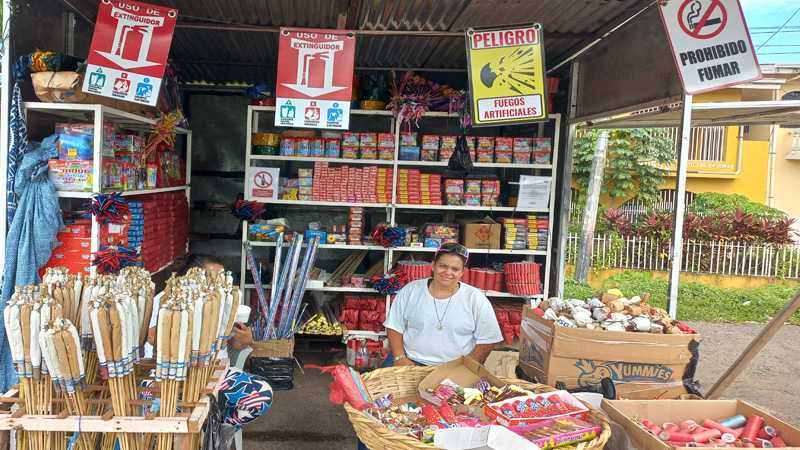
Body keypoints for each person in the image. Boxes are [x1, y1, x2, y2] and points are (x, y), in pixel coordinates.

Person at [145, 252, 273, 430]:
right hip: (166, 373)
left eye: (221, 278)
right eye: (211, 277)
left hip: (215, 372)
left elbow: (235, 345)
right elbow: (153, 338)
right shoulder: (167, 299)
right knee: (163, 416)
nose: (216, 284)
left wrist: (244, 340)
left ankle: (215, 435)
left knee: (260, 396)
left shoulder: (224, 301)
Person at [383, 242, 503, 367]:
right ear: (433, 266)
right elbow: (394, 325)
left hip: (457, 366)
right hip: (410, 360)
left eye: (455, 269)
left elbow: (489, 339)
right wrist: (399, 357)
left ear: (462, 272)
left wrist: (466, 367)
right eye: (443, 266)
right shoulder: (411, 290)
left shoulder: (475, 298)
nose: (448, 272)